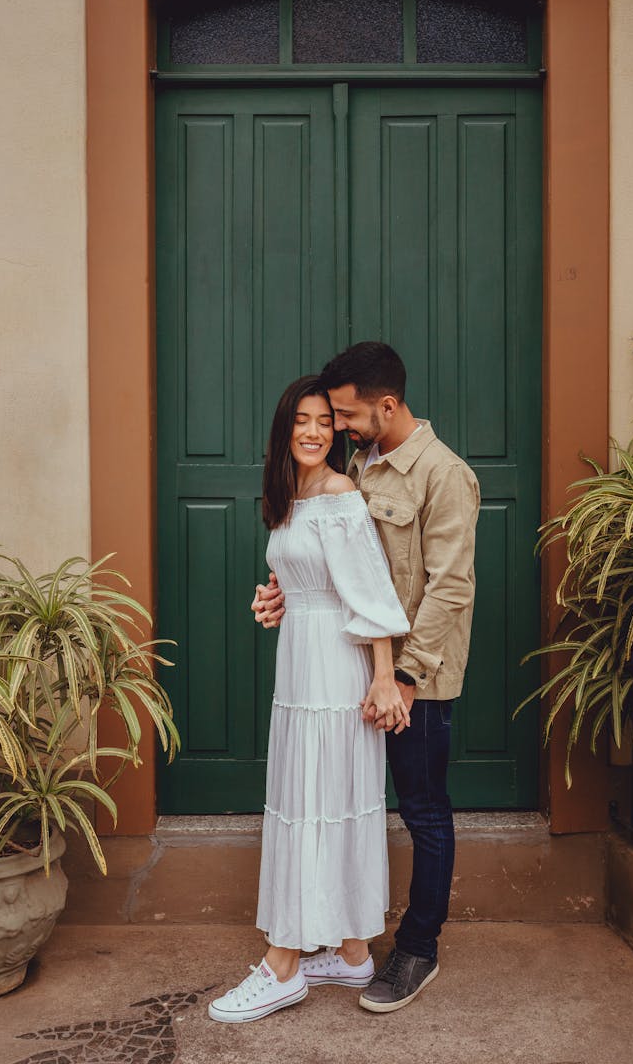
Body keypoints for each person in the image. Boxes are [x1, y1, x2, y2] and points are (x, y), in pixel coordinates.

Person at [253, 343, 480, 1014]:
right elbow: (345, 569)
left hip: (416, 675)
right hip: (352, 669)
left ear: (386, 405)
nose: (338, 425)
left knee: (423, 809)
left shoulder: (444, 475)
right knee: (346, 802)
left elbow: (450, 589)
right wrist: (287, 593)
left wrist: (403, 677)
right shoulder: (359, 465)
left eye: (347, 414)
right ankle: (347, 949)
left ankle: (417, 946)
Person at [208, 374, 410, 1024]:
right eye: (303, 419)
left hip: (336, 671)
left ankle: (284, 964)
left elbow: (371, 592)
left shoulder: (341, 493)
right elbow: (306, 579)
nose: (315, 430)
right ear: (285, 427)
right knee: (320, 798)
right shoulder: (290, 496)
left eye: (325, 420)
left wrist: (383, 678)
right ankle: (352, 952)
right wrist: (276, 601)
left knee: (317, 800)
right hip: (300, 664)